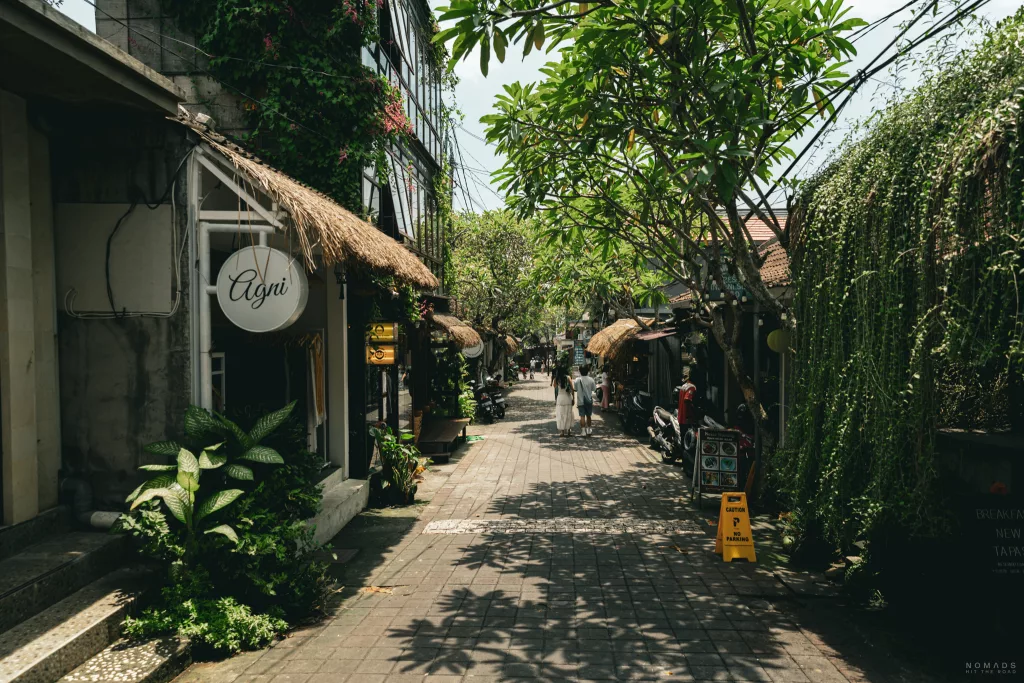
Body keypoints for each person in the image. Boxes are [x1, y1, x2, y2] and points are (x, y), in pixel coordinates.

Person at [574, 365, 597, 436]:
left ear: (580, 371)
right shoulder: (591, 379)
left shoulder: (577, 380)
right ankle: (589, 430)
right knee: (589, 416)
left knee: (582, 416)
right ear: (588, 371)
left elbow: (575, 389)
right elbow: (594, 389)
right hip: (589, 400)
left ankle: (583, 431)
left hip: (580, 401)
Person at [555, 369, 576, 437]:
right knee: (568, 413)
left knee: (561, 414)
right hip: (567, 397)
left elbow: (554, 387)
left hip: (560, 398)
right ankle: (569, 430)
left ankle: (562, 431)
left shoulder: (556, 379)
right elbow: (572, 389)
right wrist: (574, 399)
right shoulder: (568, 378)